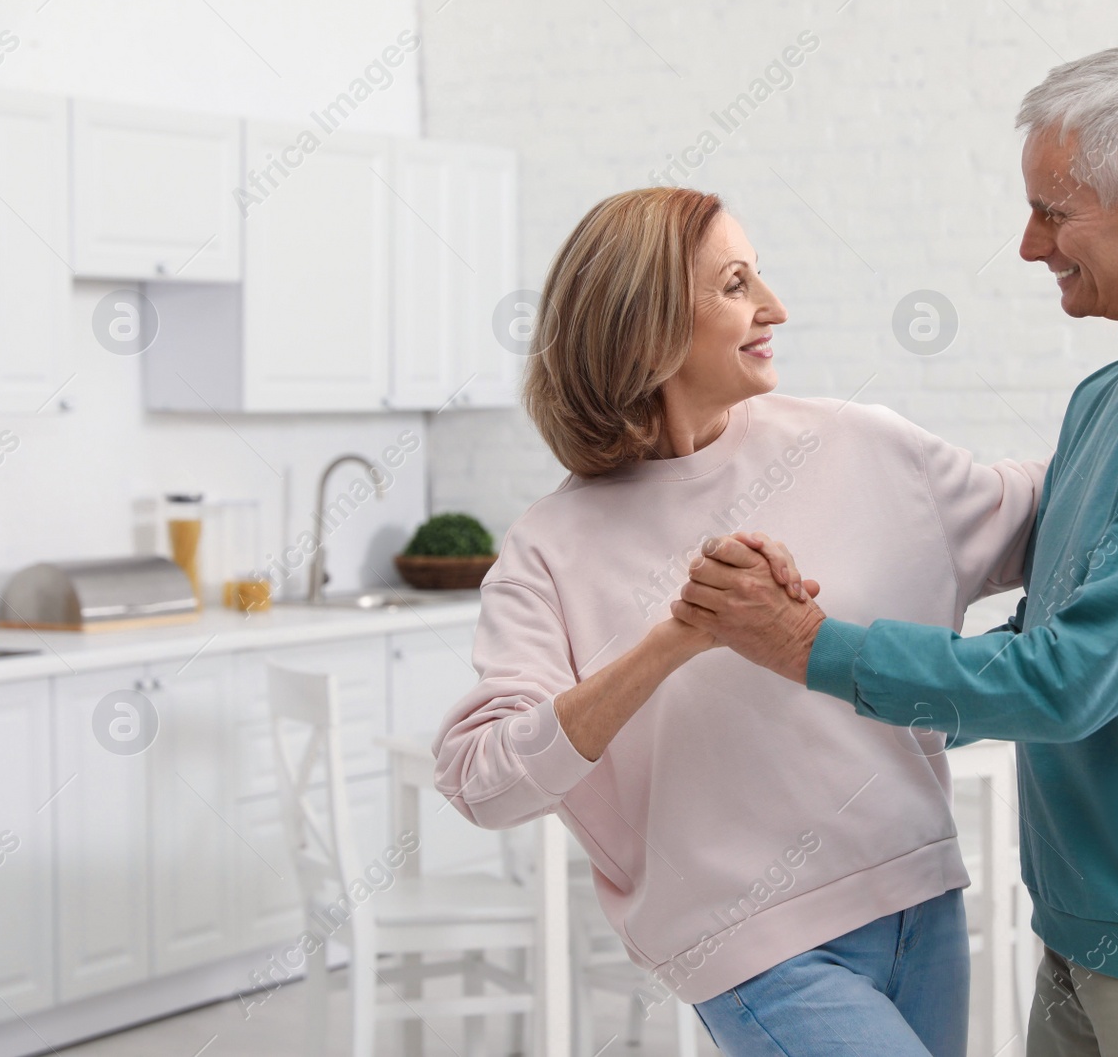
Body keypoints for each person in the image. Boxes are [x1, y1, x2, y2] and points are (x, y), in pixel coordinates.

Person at [675, 46, 1118, 1057]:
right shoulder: (1110, 393)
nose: (1030, 245)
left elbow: (1066, 679)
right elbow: (1038, 637)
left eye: (1053, 211)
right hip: (1086, 930)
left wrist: (808, 645)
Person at [432, 186, 1046, 1055]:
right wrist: (677, 638)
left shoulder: (858, 442)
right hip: (757, 950)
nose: (774, 308)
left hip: (922, 898)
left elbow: (1037, 509)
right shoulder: (549, 548)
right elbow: (482, 782)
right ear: (644, 326)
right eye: (734, 284)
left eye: (760, 276)